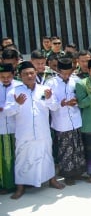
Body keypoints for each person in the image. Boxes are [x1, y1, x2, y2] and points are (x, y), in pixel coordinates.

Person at [5, 61, 64, 199]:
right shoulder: (14, 92)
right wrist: (17, 104)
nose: (29, 76)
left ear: (36, 73)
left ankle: (52, 180)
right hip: (24, 133)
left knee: (47, 156)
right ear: (20, 76)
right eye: (25, 74)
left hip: (43, 131)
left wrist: (49, 99)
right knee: (22, 159)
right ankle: (20, 187)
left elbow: (54, 107)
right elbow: (8, 112)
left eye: (31, 73)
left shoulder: (44, 90)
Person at [46, 57, 86, 186]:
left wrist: (76, 102)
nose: (66, 75)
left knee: (77, 148)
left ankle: (78, 172)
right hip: (61, 123)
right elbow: (49, 104)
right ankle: (67, 174)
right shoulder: (50, 83)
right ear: (58, 70)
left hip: (76, 120)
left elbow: (82, 97)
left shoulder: (76, 80)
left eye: (69, 72)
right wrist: (61, 104)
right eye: (64, 72)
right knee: (65, 150)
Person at [0, 64, 19, 193]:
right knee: (5, 158)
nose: (6, 79)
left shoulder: (19, 86)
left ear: (13, 75)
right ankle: (7, 185)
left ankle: (22, 183)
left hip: (17, 127)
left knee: (20, 157)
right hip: (1, 128)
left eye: (8, 77)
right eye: (2, 77)